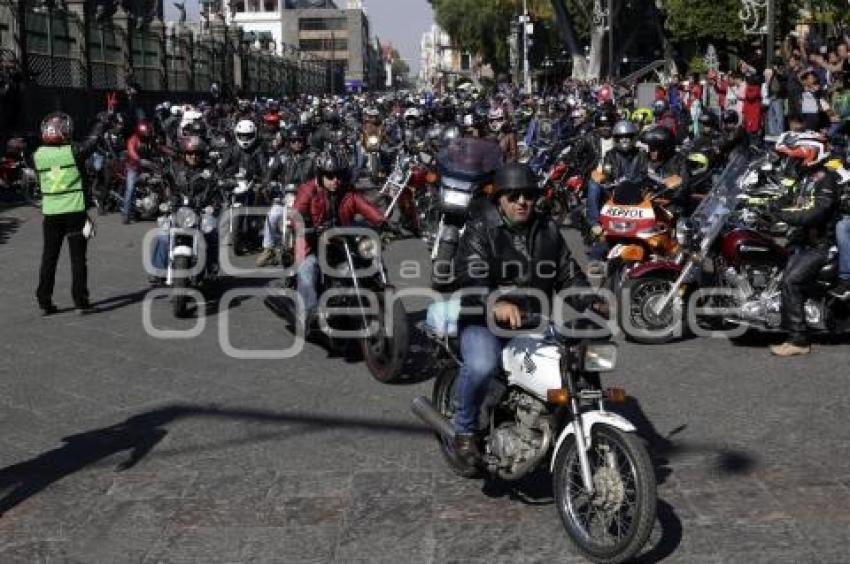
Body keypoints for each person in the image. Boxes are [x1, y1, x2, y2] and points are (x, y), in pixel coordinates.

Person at [450, 163, 589, 463]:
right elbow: (469, 272)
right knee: (482, 366)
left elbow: (568, 273)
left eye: (528, 195)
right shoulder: (480, 228)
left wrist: (592, 299)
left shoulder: (548, 229)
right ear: (499, 198)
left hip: (532, 320)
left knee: (576, 362)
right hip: (482, 320)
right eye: (513, 196)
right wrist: (494, 302)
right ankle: (464, 429)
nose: (522, 202)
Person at [291, 151, 386, 332]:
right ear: (320, 175)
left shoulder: (347, 192)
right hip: (312, 243)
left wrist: (383, 222)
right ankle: (309, 315)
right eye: (330, 176)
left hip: (341, 241)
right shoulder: (308, 190)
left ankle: (378, 291)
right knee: (307, 268)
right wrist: (309, 227)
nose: (335, 180)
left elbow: (366, 207)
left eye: (339, 175)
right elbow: (296, 215)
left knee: (370, 255)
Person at [763, 132, 839, 356]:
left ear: (810, 154)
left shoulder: (826, 180)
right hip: (803, 242)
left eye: (796, 157)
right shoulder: (805, 178)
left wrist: (781, 214)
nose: (792, 162)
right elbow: (785, 200)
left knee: (791, 281)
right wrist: (764, 206)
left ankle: (798, 340)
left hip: (820, 246)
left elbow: (815, 213)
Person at [34, 112, 106, 315]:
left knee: (49, 257)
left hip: (51, 213)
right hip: (75, 211)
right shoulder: (74, 151)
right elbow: (92, 142)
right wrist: (102, 122)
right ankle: (81, 301)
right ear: (65, 132)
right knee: (78, 258)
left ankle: (44, 300)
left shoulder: (38, 155)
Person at [256, 125, 315, 267]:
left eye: (300, 140)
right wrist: (267, 184)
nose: (297, 143)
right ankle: (268, 249)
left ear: (305, 141)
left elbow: (319, 175)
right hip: (285, 197)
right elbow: (271, 171)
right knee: (272, 215)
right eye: (293, 141)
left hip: (307, 198)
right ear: (289, 142)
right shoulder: (282, 156)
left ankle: (313, 246)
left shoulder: (312, 157)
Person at [586, 119, 647, 238]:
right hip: (615, 191)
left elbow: (646, 172)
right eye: (620, 137)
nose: (624, 139)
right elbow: (607, 174)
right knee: (593, 184)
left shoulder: (642, 154)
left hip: (638, 192)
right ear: (615, 138)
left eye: (628, 136)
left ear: (633, 137)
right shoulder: (610, 155)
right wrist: (611, 181)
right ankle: (595, 223)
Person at [641, 125, 691, 215]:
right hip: (645, 202)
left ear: (666, 147)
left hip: (669, 204)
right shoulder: (644, 159)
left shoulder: (678, 161)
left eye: (656, 148)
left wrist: (672, 189)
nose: (652, 152)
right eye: (651, 148)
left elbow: (683, 185)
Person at [123, 119, 158, 224]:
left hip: (146, 166)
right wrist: (139, 160)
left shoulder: (149, 139)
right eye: (144, 133)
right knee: (130, 189)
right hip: (133, 168)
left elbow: (157, 147)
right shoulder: (133, 139)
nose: (146, 135)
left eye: (148, 133)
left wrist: (169, 152)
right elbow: (131, 150)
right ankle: (126, 215)